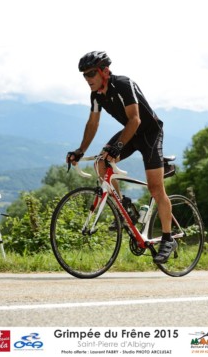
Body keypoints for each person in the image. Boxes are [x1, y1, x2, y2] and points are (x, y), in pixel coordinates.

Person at [66, 51, 177, 264]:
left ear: (104, 71)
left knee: (155, 188)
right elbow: (93, 124)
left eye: (91, 74)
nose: (87, 79)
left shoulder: (124, 84)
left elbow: (135, 119)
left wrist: (117, 147)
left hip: (149, 133)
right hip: (130, 133)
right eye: (84, 75)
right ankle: (125, 208)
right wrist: (80, 150)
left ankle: (167, 238)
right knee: (101, 162)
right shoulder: (97, 95)